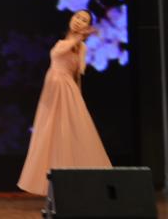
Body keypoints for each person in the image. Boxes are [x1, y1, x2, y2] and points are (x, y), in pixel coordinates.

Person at [18, 10, 111, 195]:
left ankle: (77, 184)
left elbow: (78, 75)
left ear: (87, 26)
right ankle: (56, 185)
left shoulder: (81, 47)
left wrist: (79, 100)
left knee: (69, 132)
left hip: (67, 90)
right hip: (52, 90)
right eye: (77, 17)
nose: (79, 21)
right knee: (50, 132)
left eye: (84, 20)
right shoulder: (64, 42)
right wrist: (77, 38)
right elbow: (58, 52)